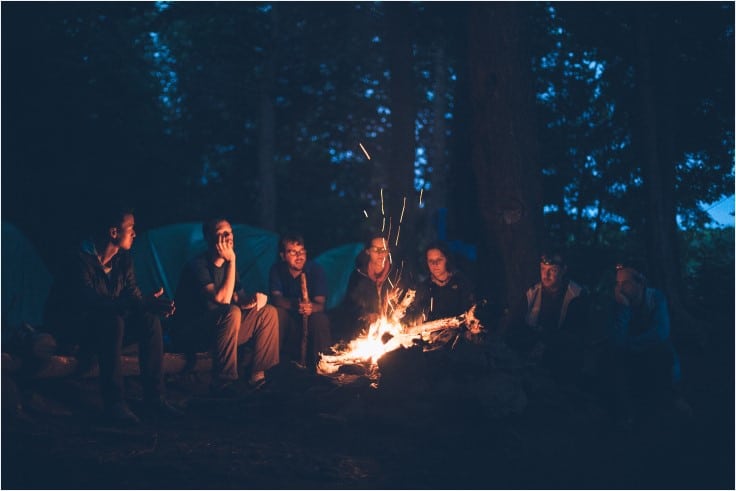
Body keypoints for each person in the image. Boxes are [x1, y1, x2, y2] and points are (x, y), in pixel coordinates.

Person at [43, 206, 180, 425]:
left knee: (149, 320)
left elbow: (132, 295)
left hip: (109, 329)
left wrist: (148, 305)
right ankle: (115, 403)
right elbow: (90, 302)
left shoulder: (123, 260)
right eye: (131, 228)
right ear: (113, 232)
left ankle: (155, 398)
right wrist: (137, 303)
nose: (135, 233)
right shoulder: (79, 260)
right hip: (77, 331)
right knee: (112, 321)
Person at [170, 218, 279, 396]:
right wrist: (232, 260)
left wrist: (254, 300)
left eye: (229, 232)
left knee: (268, 313)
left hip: (221, 331)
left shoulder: (229, 268)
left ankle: (258, 377)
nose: (228, 237)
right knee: (231, 311)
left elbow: (238, 297)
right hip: (193, 333)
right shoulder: (198, 266)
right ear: (210, 239)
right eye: (221, 233)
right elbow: (222, 299)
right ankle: (224, 381)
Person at [605, 258, 686, 427]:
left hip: (650, 350)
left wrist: (629, 344)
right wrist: (624, 309)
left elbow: (660, 332)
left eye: (625, 283)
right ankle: (627, 413)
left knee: (663, 353)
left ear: (640, 283)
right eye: (618, 283)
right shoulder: (617, 303)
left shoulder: (655, 298)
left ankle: (671, 399)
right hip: (628, 354)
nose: (620, 288)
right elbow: (615, 339)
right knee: (611, 360)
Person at [505, 250, 590, 382]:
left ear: (563, 270)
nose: (546, 275)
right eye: (543, 269)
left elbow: (575, 334)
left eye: (553, 270)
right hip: (530, 349)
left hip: (561, 357)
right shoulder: (532, 292)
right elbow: (514, 323)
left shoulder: (576, 295)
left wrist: (546, 342)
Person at [269, 233, 331, 369]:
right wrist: (295, 305)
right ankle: (272, 366)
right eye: (293, 252)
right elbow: (276, 299)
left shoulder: (315, 270)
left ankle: (322, 366)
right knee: (275, 314)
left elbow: (321, 304)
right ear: (283, 255)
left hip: (310, 319)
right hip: (289, 320)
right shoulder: (277, 270)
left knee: (320, 320)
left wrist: (310, 307)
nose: (299, 256)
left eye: (302, 251)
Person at [336, 232, 401, 340]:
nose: (380, 253)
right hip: (365, 330)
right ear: (368, 251)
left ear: (388, 251)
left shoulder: (396, 274)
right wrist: (366, 315)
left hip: (393, 328)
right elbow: (350, 306)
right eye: (376, 249)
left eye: (384, 249)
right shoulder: (358, 275)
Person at [407, 241, 476, 324]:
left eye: (439, 260)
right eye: (430, 261)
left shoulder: (461, 282)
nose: (435, 264)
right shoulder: (424, 288)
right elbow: (413, 315)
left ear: (447, 259)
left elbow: (471, 311)